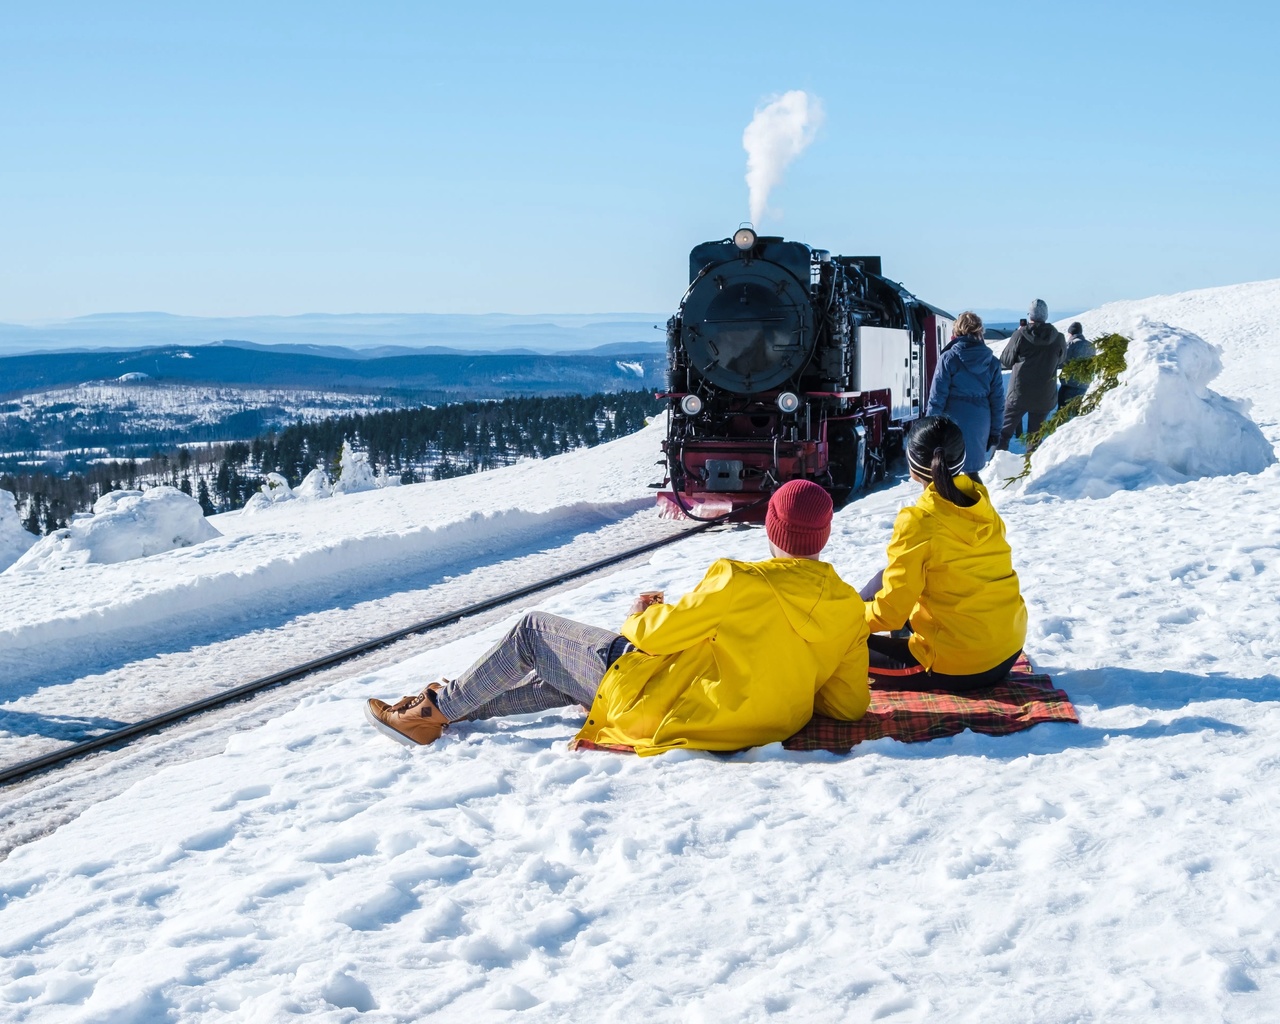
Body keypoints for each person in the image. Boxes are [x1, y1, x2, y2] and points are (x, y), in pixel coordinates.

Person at [365, 479, 872, 755]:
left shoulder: (741, 580)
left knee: (534, 631)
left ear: (772, 528)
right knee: (568, 674)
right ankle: (455, 709)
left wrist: (643, 612)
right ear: (824, 536)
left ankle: (434, 712)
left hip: (668, 709)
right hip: (758, 725)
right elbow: (848, 706)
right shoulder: (849, 607)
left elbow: (654, 638)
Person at [860, 416, 1027, 691]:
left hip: (959, 666)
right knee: (885, 577)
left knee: (843, 647)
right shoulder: (981, 504)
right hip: (1007, 646)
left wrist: (851, 618)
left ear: (913, 465)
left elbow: (889, 614)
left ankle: (837, 618)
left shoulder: (918, 521)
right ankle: (840, 612)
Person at [925, 311, 1004, 480]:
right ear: (979, 331)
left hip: (952, 421)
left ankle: (950, 505)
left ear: (957, 331)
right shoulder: (992, 362)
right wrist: (995, 432)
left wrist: (928, 429)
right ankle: (979, 504)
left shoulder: (949, 358)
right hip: (980, 421)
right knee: (972, 473)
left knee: (948, 473)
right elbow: (997, 402)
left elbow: (937, 397)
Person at [997, 299, 1066, 450]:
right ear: (1046, 316)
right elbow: (1061, 361)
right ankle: (1031, 469)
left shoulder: (1020, 335)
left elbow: (1006, 361)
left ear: (1030, 316)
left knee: (1003, 434)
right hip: (1044, 395)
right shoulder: (1058, 338)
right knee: (1035, 438)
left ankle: (999, 467)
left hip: (1018, 394)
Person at [1057, 321, 1096, 414]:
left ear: (1070, 333)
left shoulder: (1071, 344)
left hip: (1069, 385)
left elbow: (1062, 362)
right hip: (1084, 384)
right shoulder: (1091, 345)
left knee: (1062, 413)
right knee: (1076, 411)